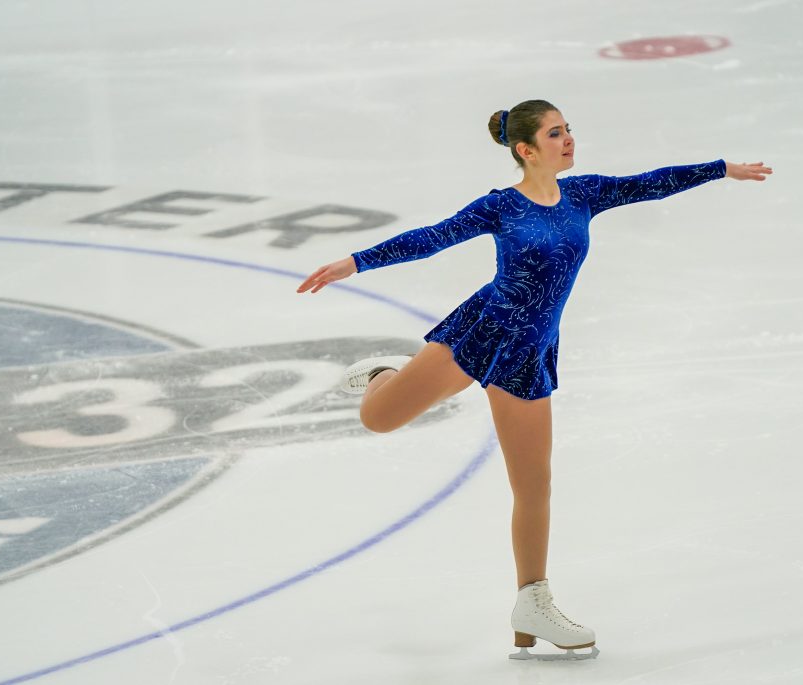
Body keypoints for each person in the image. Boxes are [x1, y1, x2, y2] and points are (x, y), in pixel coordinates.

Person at [296, 99, 772, 660]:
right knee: (377, 419)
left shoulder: (584, 194)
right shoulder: (501, 207)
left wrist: (719, 170)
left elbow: (649, 184)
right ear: (526, 150)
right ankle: (381, 376)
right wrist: (354, 262)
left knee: (534, 483)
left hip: (529, 353)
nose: (568, 139)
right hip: (482, 328)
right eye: (555, 133)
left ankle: (532, 600)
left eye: (569, 129)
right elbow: (432, 237)